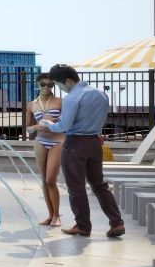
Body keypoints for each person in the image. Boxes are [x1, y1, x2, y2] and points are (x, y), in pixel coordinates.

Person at [35, 64, 124, 237]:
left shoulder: (72, 97)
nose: (59, 89)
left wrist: (47, 123)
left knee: (76, 188)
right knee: (100, 185)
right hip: (95, 144)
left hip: (75, 144)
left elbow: (64, 126)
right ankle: (117, 222)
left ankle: (82, 226)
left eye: (59, 85)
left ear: (68, 81)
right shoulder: (100, 94)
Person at [23, 72, 64, 226]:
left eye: (50, 85)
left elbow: (67, 121)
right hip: (40, 141)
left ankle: (57, 215)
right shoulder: (31, 104)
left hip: (58, 141)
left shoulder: (60, 102)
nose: (46, 87)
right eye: (43, 84)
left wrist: (54, 123)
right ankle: (50, 215)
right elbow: (27, 128)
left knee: (50, 179)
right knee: (43, 180)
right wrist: (36, 127)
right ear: (37, 85)